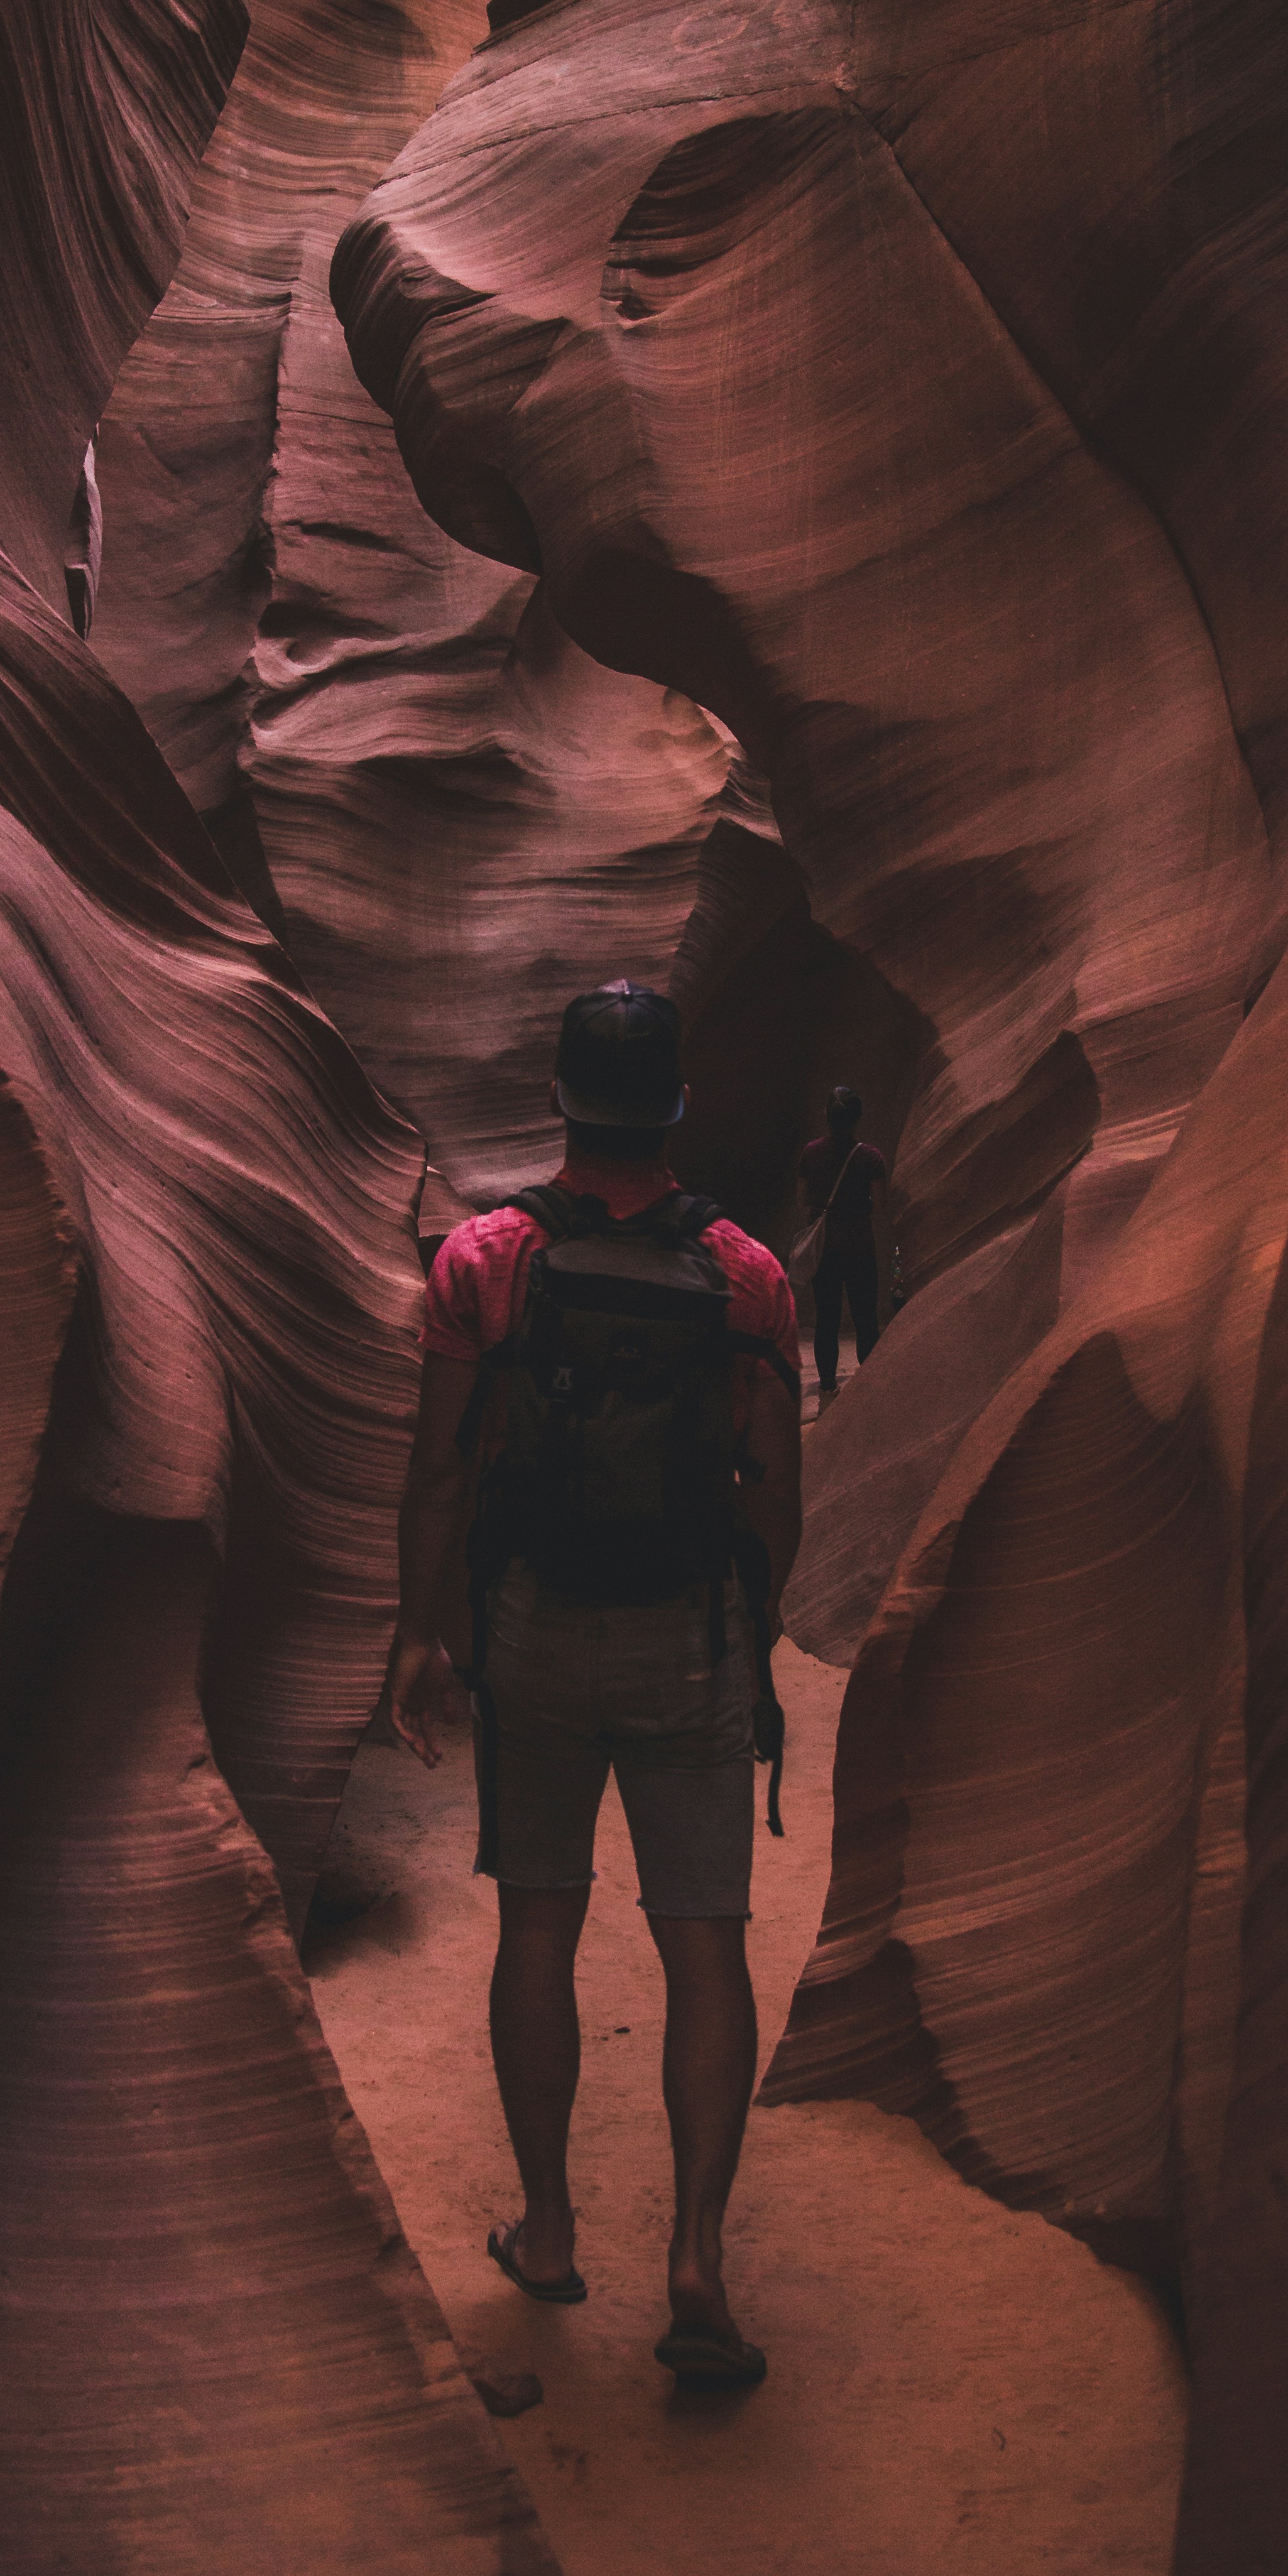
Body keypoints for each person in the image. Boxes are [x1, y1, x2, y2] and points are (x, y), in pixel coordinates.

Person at [376, 982, 802, 2389]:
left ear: (561, 1101)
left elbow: (440, 1470)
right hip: (688, 1637)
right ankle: (694, 2256)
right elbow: (774, 1491)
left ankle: (550, 2231)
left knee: (539, 1931)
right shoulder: (747, 1274)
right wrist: (752, 1632)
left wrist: (424, 1636)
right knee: (703, 1945)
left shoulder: (485, 1261)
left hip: (536, 1632)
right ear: (675, 1109)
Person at [795, 1084, 886, 1403]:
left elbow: (803, 1198)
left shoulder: (810, 1153)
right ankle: (869, 1394)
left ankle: (827, 1393)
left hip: (825, 1250)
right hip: (860, 1244)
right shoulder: (871, 1158)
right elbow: (879, 1205)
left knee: (827, 1321)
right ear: (858, 1117)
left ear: (827, 1116)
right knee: (866, 1319)